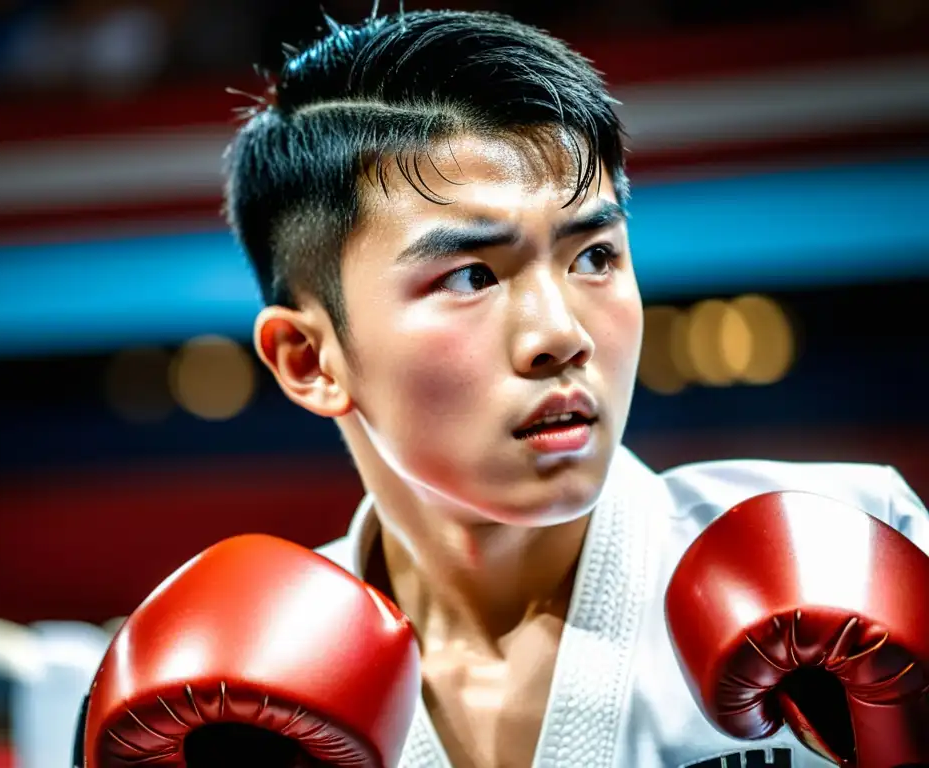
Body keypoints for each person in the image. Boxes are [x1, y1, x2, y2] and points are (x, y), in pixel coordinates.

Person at [83, 8, 929, 768]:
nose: (560, 333)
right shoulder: (226, 697)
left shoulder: (859, 545)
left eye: (594, 256)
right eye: (472, 276)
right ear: (311, 359)